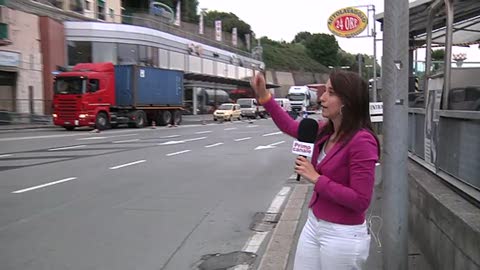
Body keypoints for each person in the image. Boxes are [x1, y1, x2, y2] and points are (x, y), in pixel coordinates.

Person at [251, 71, 380, 270]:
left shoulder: (362, 141)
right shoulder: (325, 131)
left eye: (331, 92)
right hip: (314, 224)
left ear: (348, 100)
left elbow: (361, 200)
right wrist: (265, 97)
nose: (322, 98)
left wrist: (316, 178)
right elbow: (291, 126)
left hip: (342, 234)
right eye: (324, 91)